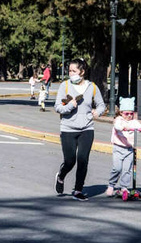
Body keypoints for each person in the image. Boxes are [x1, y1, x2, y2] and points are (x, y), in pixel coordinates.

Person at [53, 58, 106, 201]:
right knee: (70, 161)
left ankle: (78, 190)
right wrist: (70, 105)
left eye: (73, 71)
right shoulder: (64, 86)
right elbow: (57, 107)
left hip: (87, 128)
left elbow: (101, 105)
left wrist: (98, 112)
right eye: (69, 71)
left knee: (83, 159)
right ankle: (61, 175)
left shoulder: (92, 87)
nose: (71, 73)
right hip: (68, 128)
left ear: (82, 72)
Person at [106, 97, 141, 197]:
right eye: (126, 113)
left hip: (129, 149)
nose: (129, 116)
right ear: (121, 113)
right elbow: (117, 126)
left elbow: (140, 125)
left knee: (127, 170)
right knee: (117, 168)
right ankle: (111, 185)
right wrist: (123, 128)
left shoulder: (133, 121)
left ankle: (124, 187)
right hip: (118, 148)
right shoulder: (118, 120)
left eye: (131, 113)